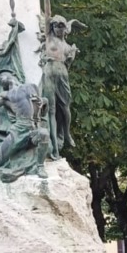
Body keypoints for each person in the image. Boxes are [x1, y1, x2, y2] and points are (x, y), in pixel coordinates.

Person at [39, 15, 83, 159]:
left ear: (65, 29)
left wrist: (71, 57)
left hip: (62, 75)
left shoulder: (68, 47)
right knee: (51, 110)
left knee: (65, 107)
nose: (57, 29)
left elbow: (68, 65)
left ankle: (66, 133)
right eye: (55, 26)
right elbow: (47, 15)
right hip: (49, 74)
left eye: (60, 26)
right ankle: (54, 148)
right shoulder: (48, 38)